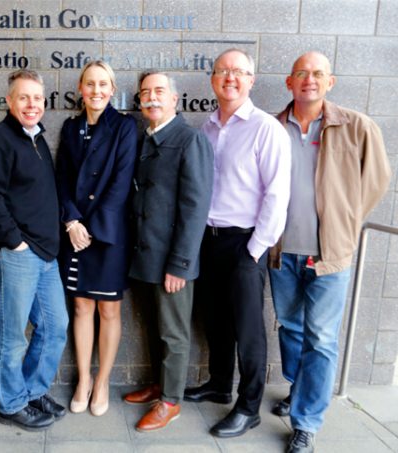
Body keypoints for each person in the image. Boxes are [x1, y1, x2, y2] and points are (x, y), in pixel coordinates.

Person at [268, 51, 391, 453]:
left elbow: (374, 182)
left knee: (321, 339)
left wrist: (343, 223)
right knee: (290, 327)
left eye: (318, 73)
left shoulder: (356, 126)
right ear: (289, 82)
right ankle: (300, 389)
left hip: (329, 257)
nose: (309, 80)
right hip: (282, 253)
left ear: (330, 81)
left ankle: (306, 421)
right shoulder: (272, 126)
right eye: (301, 73)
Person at [183, 48, 291, 438]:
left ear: (251, 80)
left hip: (247, 242)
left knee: (248, 329)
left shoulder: (266, 128)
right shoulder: (207, 127)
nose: (230, 78)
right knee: (215, 319)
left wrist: (254, 250)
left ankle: (248, 408)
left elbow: (277, 196)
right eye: (223, 71)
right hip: (208, 240)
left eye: (239, 72)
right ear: (213, 79)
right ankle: (218, 384)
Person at [0, 69, 69, 432]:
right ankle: (10, 403)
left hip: (44, 255)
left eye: (37, 98)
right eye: (23, 97)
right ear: (8, 101)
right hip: (14, 253)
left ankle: (30, 391)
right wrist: (17, 241)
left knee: (55, 326)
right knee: (12, 334)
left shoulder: (37, 138)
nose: (32, 104)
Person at [123, 71, 214, 431]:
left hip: (172, 260)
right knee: (156, 328)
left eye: (159, 91)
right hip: (146, 256)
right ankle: (160, 384)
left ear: (175, 99)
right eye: (145, 92)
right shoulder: (147, 138)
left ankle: (171, 401)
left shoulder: (190, 140)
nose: (152, 97)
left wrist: (180, 263)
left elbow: (195, 209)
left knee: (174, 333)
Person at [54, 60, 137, 416]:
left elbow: (121, 184)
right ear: (81, 87)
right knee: (81, 306)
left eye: (104, 84)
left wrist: (91, 227)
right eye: (90, 84)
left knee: (109, 308)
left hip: (108, 233)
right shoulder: (71, 128)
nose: (97, 90)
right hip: (76, 233)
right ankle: (84, 380)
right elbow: (60, 178)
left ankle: (102, 381)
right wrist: (71, 220)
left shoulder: (125, 127)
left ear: (112, 89)